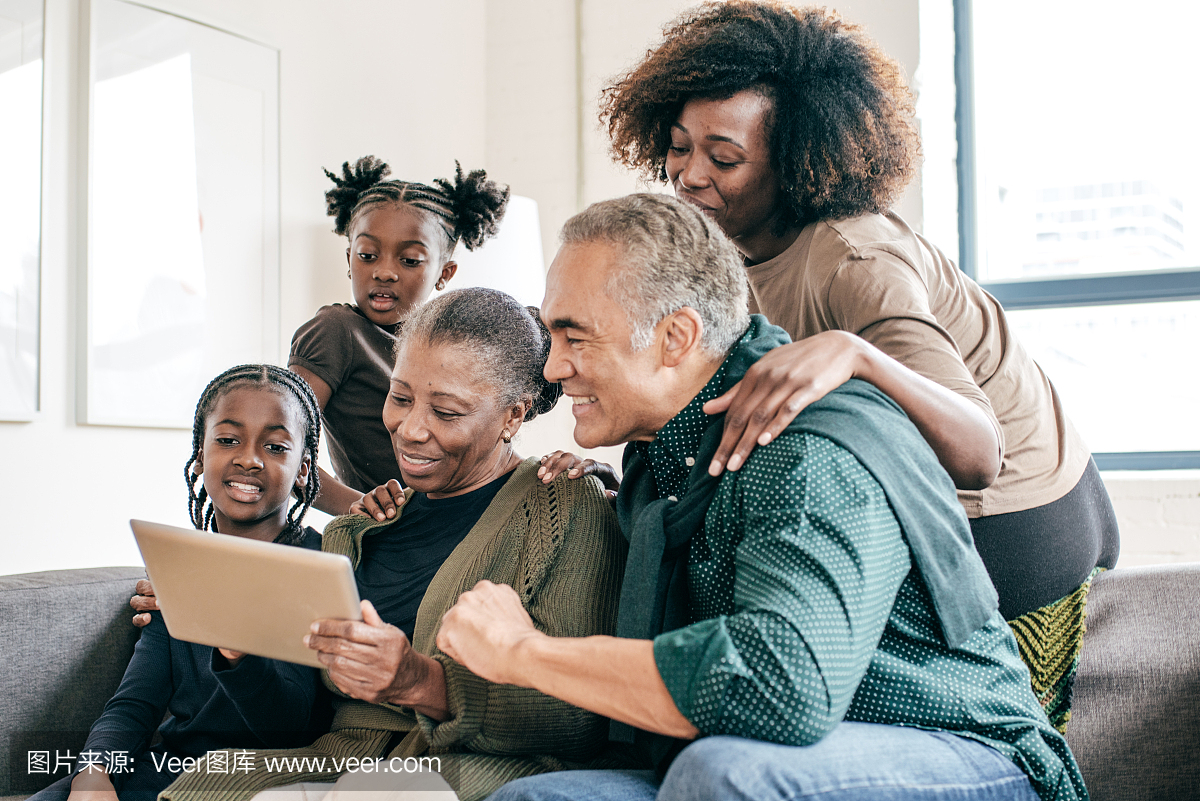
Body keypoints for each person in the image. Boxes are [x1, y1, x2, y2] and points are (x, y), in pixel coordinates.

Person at [436, 194, 1088, 801]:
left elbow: (781, 686)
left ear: (676, 338)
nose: (552, 366)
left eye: (575, 336)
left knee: (722, 774)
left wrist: (525, 652)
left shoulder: (803, 447)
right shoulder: (658, 460)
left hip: (966, 748)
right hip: (797, 747)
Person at [595, 0, 1118, 623]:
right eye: (680, 148)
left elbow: (979, 454)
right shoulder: (724, 250)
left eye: (724, 159)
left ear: (792, 162)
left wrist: (857, 356)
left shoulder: (855, 261)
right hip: (929, 495)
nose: (689, 177)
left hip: (1019, 515)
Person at [160, 289, 628, 801]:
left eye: (446, 412)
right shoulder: (358, 531)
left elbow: (580, 718)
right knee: (206, 784)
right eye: (400, 397)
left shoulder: (562, 503)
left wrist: (422, 682)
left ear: (513, 416)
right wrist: (239, 647)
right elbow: (296, 720)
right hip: (345, 757)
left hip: (478, 764)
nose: (410, 430)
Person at [33, 365, 330, 801]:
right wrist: (93, 772)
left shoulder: (322, 567)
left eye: (275, 446)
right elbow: (135, 705)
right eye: (227, 440)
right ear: (199, 457)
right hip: (173, 767)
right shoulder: (178, 570)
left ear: (303, 469)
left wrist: (238, 648)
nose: (248, 458)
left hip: (266, 776)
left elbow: (289, 725)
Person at [290, 156, 509, 515]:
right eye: (367, 255)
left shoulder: (452, 347)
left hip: (466, 523)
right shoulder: (336, 332)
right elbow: (281, 445)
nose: (385, 272)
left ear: (445, 273)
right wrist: (361, 508)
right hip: (392, 542)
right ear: (349, 259)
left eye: (409, 260)